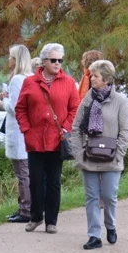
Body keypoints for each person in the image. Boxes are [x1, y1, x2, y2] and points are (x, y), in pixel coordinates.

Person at [15, 43, 80, 233]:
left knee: (54, 182)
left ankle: (51, 221)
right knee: (35, 181)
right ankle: (36, 217)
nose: (57, 63)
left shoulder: (68, 82)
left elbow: (75, 108)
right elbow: (20, 108)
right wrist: (26, 129)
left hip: (57, 140)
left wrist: (66, 128)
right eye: (53, 60)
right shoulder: (30, 82)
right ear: (44, 62)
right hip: (35, 140)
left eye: (60, 60)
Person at [71, 60, 128, 250]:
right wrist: (79, 153)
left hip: (111, 157)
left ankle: (110, 226)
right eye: (91, 75)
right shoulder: (87, 99)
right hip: (89, 156)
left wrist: (119, 154)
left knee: (109, 195)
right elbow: (76, 128)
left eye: (95, 76)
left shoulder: (120, 101)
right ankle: (94, 236)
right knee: (91, 196)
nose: (91, 79)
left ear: (106, 79)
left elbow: (126, 131)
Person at [0, 44, 33, 223]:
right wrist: (4, 100)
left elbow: (14, 107)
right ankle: (23, 207)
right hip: (27, 131)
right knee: (25, 172)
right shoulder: (30, 77)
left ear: (16, 59)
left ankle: (26, 210)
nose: (8, 59)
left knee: (22, 174)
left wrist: (3, 100)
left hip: (18, 132)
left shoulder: (17, 79)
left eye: (10, 56)